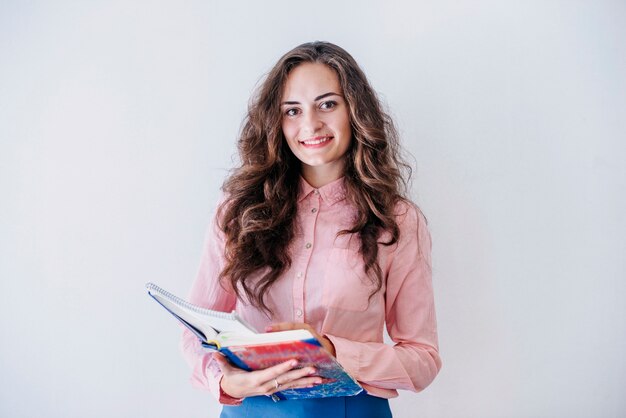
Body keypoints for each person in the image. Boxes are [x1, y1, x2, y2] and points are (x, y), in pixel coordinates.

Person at [181, 41, 441, 418]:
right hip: (253, 411)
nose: (310, 124)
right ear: (276, 120)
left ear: (356, 110)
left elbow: (423, 359)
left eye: (327, 104)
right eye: (292, 110)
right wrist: (225, 382)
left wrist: (334, 351)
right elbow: (195, 331)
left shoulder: (397, 220)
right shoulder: (238, 212)